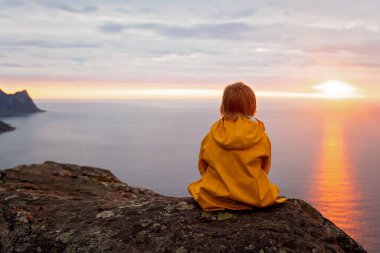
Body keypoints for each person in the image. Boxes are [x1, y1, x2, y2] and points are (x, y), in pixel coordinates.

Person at [188, 82, 286, 211]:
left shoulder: (212, 135)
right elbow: (264, 168)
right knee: (272, 189)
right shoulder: (261, 137)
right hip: (253, 196)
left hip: (215, 196)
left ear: (223, 106)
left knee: (198, 187)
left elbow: (202, 166)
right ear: (252, 106)